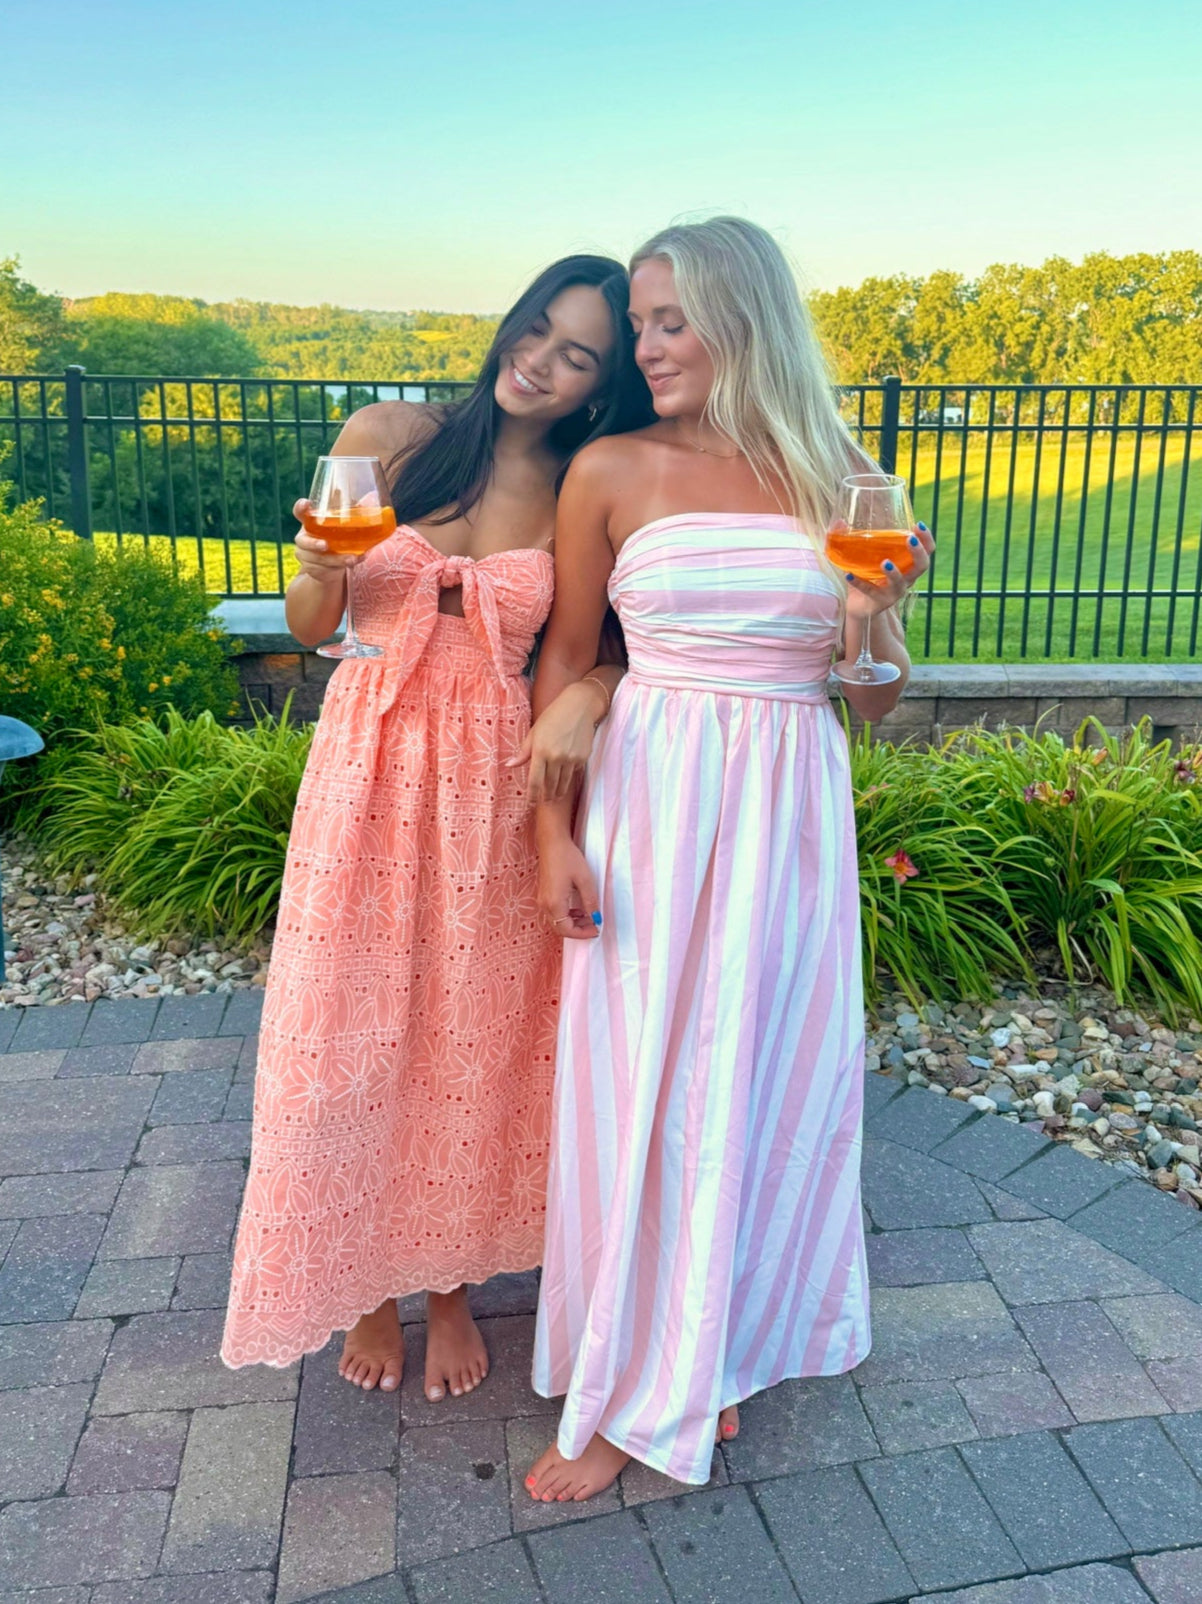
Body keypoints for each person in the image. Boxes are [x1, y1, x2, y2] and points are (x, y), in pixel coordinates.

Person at [525, 217, 934, 1499]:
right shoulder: (608, 468)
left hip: (785, 810)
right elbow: (566, 658)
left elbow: (873, 700)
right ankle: (617, 1384)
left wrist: (867, 620)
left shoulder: (840, 475)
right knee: (638, 1082)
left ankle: (712, 1346)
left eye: (670, 321)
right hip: (648, 802)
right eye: (637, 325)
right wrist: (549, 832)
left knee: (757, 1079)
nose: (644, 348)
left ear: (741, 320)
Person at [222, 255, 653, 1403]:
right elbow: (313, 625)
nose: (540, 362)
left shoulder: (575, 487)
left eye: (577, 355)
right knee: (344, 1031)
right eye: (536, 330)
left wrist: (587, 693)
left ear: (601, 385)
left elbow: (609, 648)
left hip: (491, 781)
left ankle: (449, 1282)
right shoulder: (390, 433)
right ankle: (365, 1281)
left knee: (470, 1033)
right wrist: (316, 567)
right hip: (366, 765)